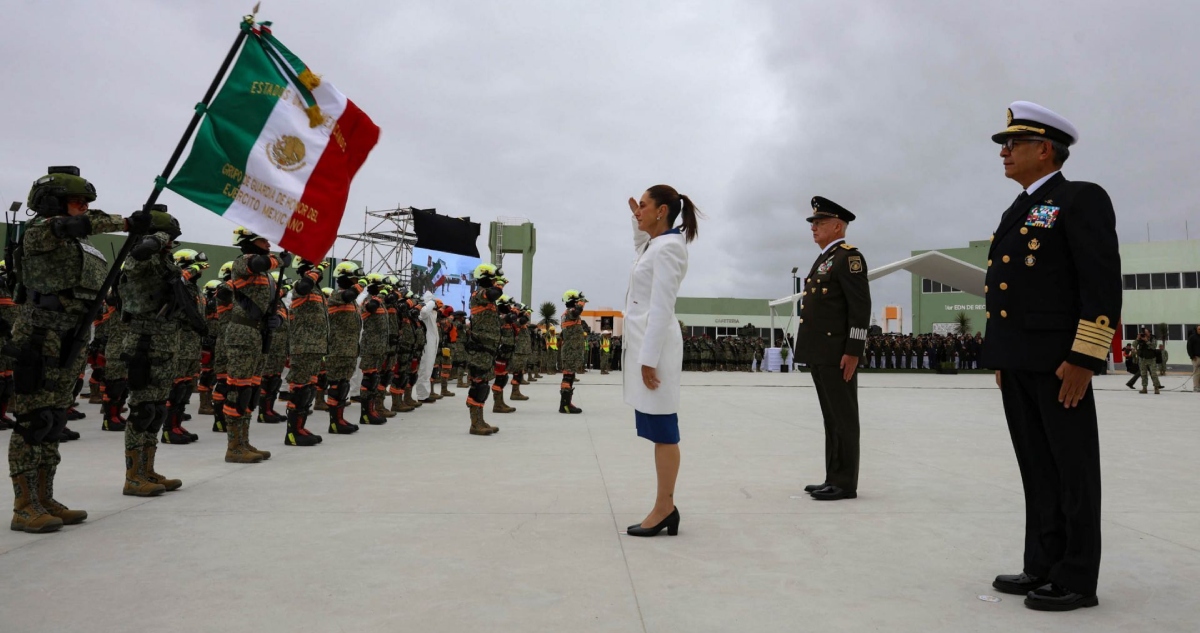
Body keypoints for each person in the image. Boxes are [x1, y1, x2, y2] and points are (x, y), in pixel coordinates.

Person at [983, 101, 1120, 611]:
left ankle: (1077, 576)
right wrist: (1003, 355)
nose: (1004, 153)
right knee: (1036, 467)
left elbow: (1100, 285)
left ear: (1045, 149)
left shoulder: (1080, 199)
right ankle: (1041, 562)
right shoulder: (1017, 209)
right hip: (1019, 360)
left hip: (1061, 362)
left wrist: (1085, 357)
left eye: (1013, 144)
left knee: (1073, 469)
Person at [7, 167, 156, 532]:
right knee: (33, 420)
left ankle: (46, 497)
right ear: (53, 202)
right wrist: (125, 221)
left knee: (54, 418)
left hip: (72, 334)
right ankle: (25, 505)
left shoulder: (81, 245)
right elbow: (74, 225)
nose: (84, 208)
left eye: (87, 203)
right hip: (42, 335)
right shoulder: (43, 231)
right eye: (77, 202)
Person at [622, 184, 698, 537]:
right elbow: (641, 249)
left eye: (645, 206)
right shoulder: (656, 244)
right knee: (657, 429)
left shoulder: (669, 249)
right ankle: (664, 506)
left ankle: (665, 507)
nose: (640, 210)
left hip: (656, 349)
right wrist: (634, 219)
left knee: (664, 430)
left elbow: (663, 306)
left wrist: (648, 359)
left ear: (662, 210)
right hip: (646, 347)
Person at [795, 196, 870, 502]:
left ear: (838, 226)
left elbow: (860, 307)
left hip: (838, 353)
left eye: (820, 223)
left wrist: (853, 350)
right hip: (820, 352)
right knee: (831, 418)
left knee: (843, 417)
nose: (814, 228)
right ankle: (833, 477)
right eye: (813, 223)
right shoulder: (826, 258)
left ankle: (845, 483)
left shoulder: (849, 258)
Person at [558, 290, 587, 413]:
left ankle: (566, 403)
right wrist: (582, 301)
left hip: (572, 350)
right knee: (568, 376)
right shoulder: (570, 313)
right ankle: (565, 405)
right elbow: (577, 311)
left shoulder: (567, 314)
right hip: (571, 350)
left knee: (569, 376)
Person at [1134, 329, 1161, 395]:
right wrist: (1137, 339)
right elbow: (1134, 345)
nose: (1144, 334)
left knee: (1153, 374)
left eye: (1146, 333)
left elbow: (1154, 347)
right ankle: (1144, 388)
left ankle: (1156, 388)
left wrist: (1147, 341)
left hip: (1151, 359)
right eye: (1144, 333)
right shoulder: (1140, 338)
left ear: (1149, 333)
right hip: (1142, 359)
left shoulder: (1153, 338)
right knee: (1143, 374)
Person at [1188, 325, 1200, 393]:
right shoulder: (1192, 337)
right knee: (1196, 373)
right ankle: (1196, 387)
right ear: (1196, 330)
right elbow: (1189, 347)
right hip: (1196, 358)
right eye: (1199, 329)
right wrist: (1192, 356)